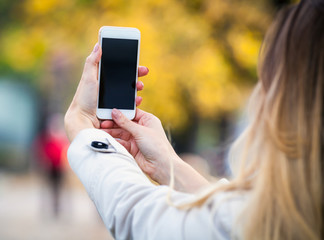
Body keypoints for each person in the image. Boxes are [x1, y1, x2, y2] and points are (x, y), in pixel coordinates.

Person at [64, 0, 323, 239]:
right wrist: (167, 164)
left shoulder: (270, 224)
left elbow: (137, 215)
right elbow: (229, 217)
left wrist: (81, 125)